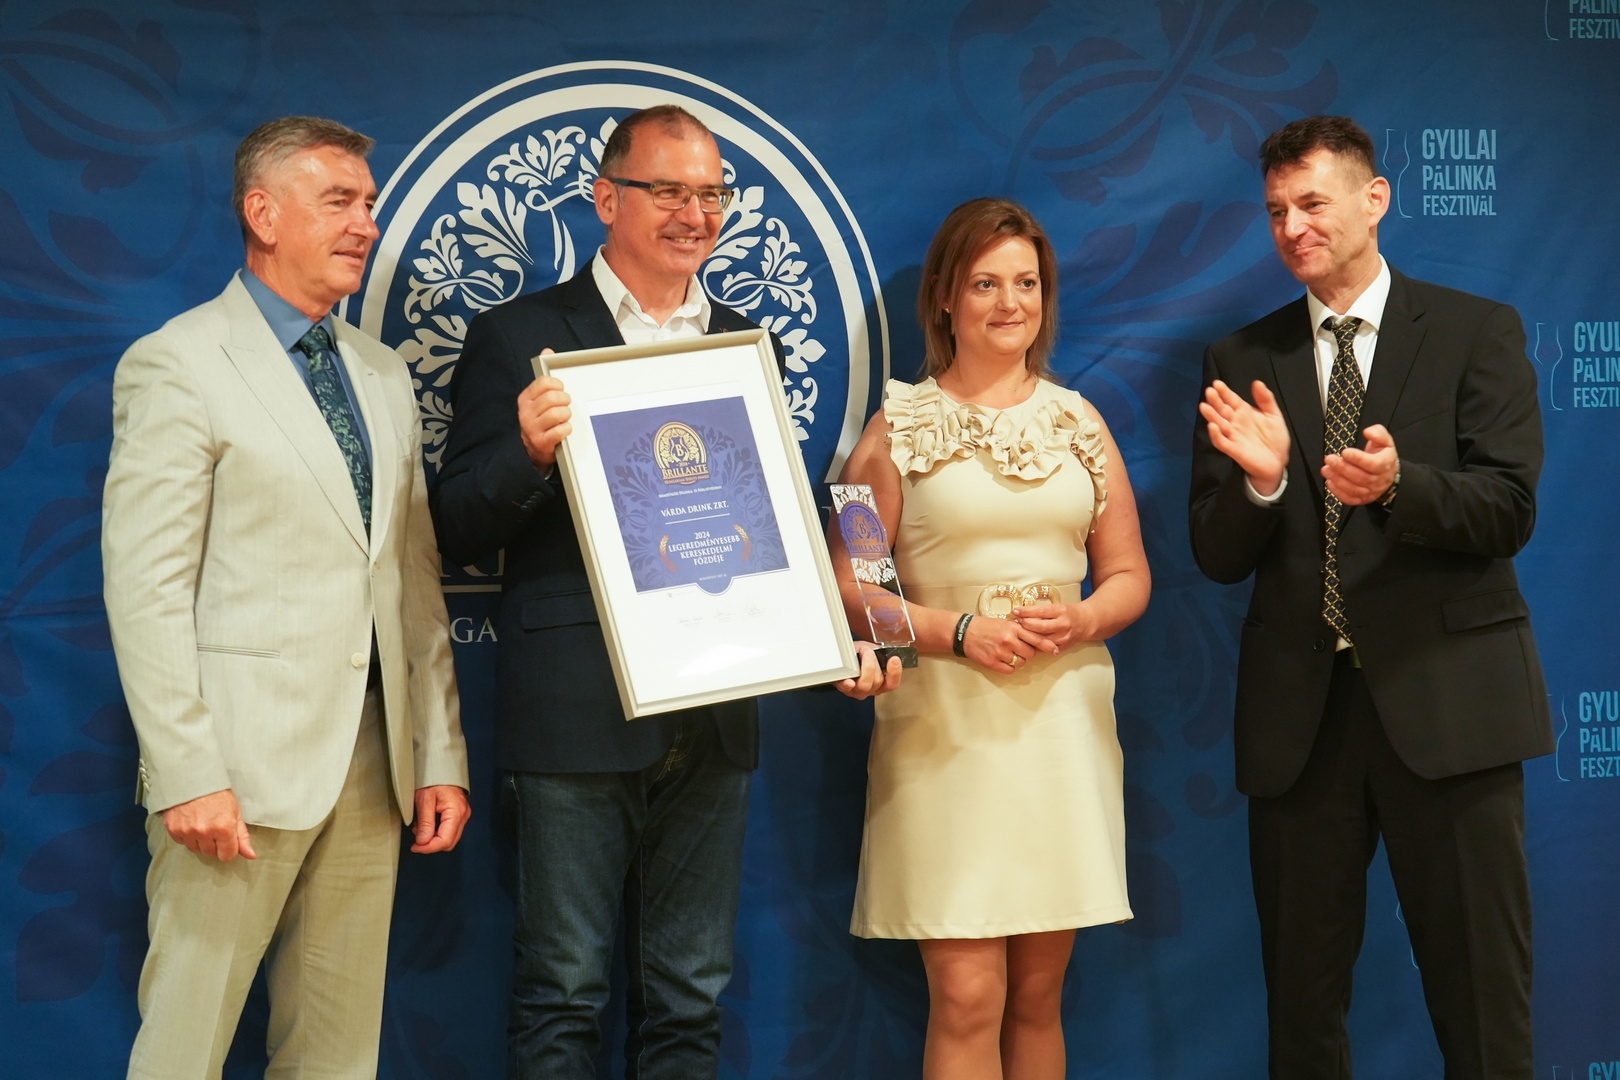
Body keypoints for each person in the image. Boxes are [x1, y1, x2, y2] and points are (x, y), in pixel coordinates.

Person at [430, 104, 897, 1080]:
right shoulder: (519, 336)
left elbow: (783, 519)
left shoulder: (743, 341)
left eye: (712, 194)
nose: (696, 214)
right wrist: (526, 454)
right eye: (670, 191)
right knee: (562, 994)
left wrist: (849, 631)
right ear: (607, 199)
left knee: (690, 998)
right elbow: (456, 528)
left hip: (717, 712)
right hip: (575, 715)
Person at [103, 116, 470, 1079]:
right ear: (262, 214)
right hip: (233, 771)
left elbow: (412, 582)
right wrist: (186, 770)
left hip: (373, 765)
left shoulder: (383, 376)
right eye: (339, 201)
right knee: (183, 1051)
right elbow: (145, 590)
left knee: (337, 1060)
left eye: (370, 203)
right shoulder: (178, 362)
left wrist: (437, 753)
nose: (366, 223)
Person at [1189, 115, 1551, 1078]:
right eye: (1276, 211)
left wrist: (1399, 487)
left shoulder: (1476, 331)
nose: (1293, 227)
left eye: (1312, 203)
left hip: (1451, 710)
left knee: (1484, 1007)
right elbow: (1215, 554)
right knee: (1303, 1015)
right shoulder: (1241, 360)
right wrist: (1265, 483)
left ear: (1374, 199)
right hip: (1302, 729)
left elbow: (1509, 509)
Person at [832, 197, 1151, 1080]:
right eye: (985, 284)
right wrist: (956, 632)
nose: (1010, 303)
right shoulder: (890, 431)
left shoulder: (1082, 423)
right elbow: (854, 588)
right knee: (968, 997)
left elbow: (1129, 576)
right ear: (944, 297)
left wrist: (1084, 618)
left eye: (1026, 283)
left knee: (1039, 998)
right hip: (943, 735)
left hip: (1062, 727)